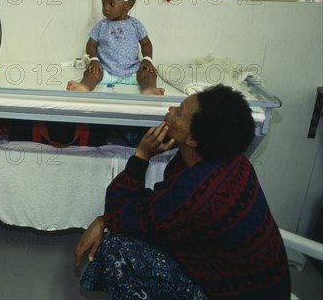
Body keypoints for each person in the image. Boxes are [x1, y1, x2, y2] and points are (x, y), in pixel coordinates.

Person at [75, 84, 291, 299]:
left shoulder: (194, 195)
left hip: (236, 294)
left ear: (193, 139)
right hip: (267, 284)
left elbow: (121, 210)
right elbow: (157, 208)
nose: (170, 111)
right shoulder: (232, 159)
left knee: (115, 246)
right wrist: (110, 218)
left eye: (179, 112)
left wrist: (142, 155)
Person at [67, 0, 164, 95]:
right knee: (91, 72)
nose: (106, 8)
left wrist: (147, 59)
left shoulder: (135, 24)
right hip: (105, 71)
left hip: (132, 72)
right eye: (103, 3)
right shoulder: (101, 25)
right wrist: (93, 59)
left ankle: (149, 90)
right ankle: (84, 87)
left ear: (128, 5)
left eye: (111, 4)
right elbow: (91, 44)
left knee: (149, 73)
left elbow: (146, 43)